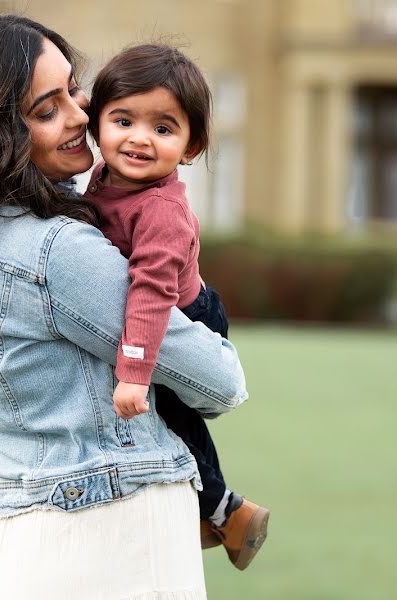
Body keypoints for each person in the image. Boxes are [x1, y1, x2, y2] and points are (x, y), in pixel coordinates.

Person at [0, 15, 249, 599]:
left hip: (14, 539)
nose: (82, 115)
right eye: (47, 109)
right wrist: (196, 292)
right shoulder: (56, 249)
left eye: (73, 88)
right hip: (112, 537)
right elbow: (220, 382)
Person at [83, 44, 269, 570]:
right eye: (123, 120)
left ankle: (224, 510)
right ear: (96, 124)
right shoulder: (103, 181)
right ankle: (218, 508)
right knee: (173, 419)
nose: (140, 138)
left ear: (192, 146)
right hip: (157, 311)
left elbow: (150, 293)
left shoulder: (162, 212)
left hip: (184, 316)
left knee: (176, 417)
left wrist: (136, 372)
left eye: (163, 129)